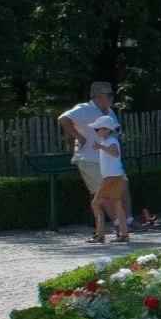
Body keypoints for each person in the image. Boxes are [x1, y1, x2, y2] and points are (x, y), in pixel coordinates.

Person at [59, 82, 118, 241]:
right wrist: (79, 137)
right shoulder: (84, 109)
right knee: (102, 196)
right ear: (99, 96)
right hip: (88, 159)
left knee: (102, 197)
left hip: (105, 160)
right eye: (110, 94)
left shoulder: (110, 111)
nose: (112, 97)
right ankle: (119, 228)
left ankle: (109, 231)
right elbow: (64, 119)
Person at [87, 110, 132, 243]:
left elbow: (115, 153)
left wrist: (101, 147)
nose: (96, 131)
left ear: (106, 129)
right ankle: (124, 235)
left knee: (96, 204)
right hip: (114, 177)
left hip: (111, 178)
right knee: (117, 205)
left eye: (97, 129)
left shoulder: (110, 141)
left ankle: (100, 235)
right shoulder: (108, 140)